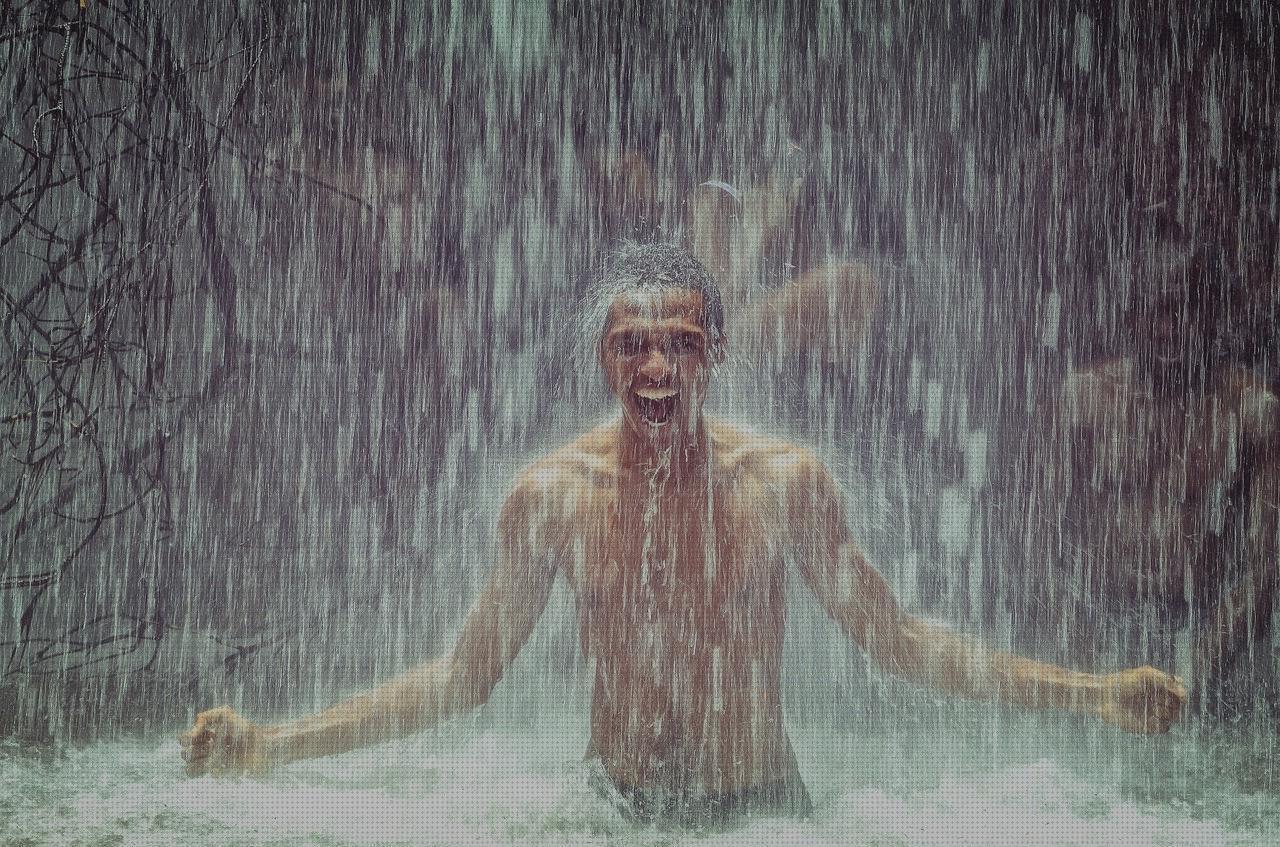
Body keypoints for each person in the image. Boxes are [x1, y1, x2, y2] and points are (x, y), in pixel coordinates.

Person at [181, 244, 1186, 827]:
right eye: (631, 344)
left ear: (715, 355)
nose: (654, 365)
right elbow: (460, 676)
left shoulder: (784, 483)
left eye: (679, 343)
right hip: (610, 816)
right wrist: (278, 743)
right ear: (601, 359)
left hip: (763, 818)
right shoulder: (552, 495)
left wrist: (1088, 692)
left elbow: (902, 641)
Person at [1014, 243, 1278, 716]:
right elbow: (1035, 550)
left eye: (1186, 311)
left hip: (1203, 632)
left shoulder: (1252, 415)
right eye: (1154, 311)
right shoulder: (1084, 401)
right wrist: (1095, 676)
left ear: (1213, 317)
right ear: (1130, 316)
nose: (1169, 329)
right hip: (1096, 620)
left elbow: (1262, 574)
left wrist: (1189, 675)